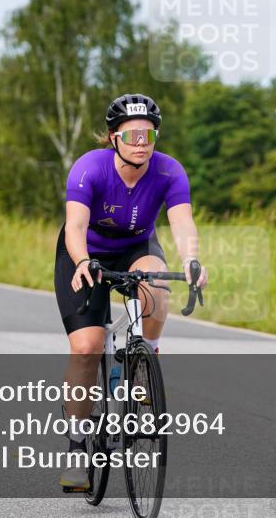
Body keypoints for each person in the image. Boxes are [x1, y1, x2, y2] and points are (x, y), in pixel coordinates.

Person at [55, 93, 208, 491]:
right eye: (133, 134)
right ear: (113, 138)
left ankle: (144, 358)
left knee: (155, 284)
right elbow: (74, 227)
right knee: (87, 347)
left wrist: (192, 260)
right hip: (86, 253)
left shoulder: (170, 171)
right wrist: (84, 261)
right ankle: (76, 447)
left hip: (137, 247)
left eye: (150, 134)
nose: (142, 142)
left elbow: (183, 224)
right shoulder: (89, 168)